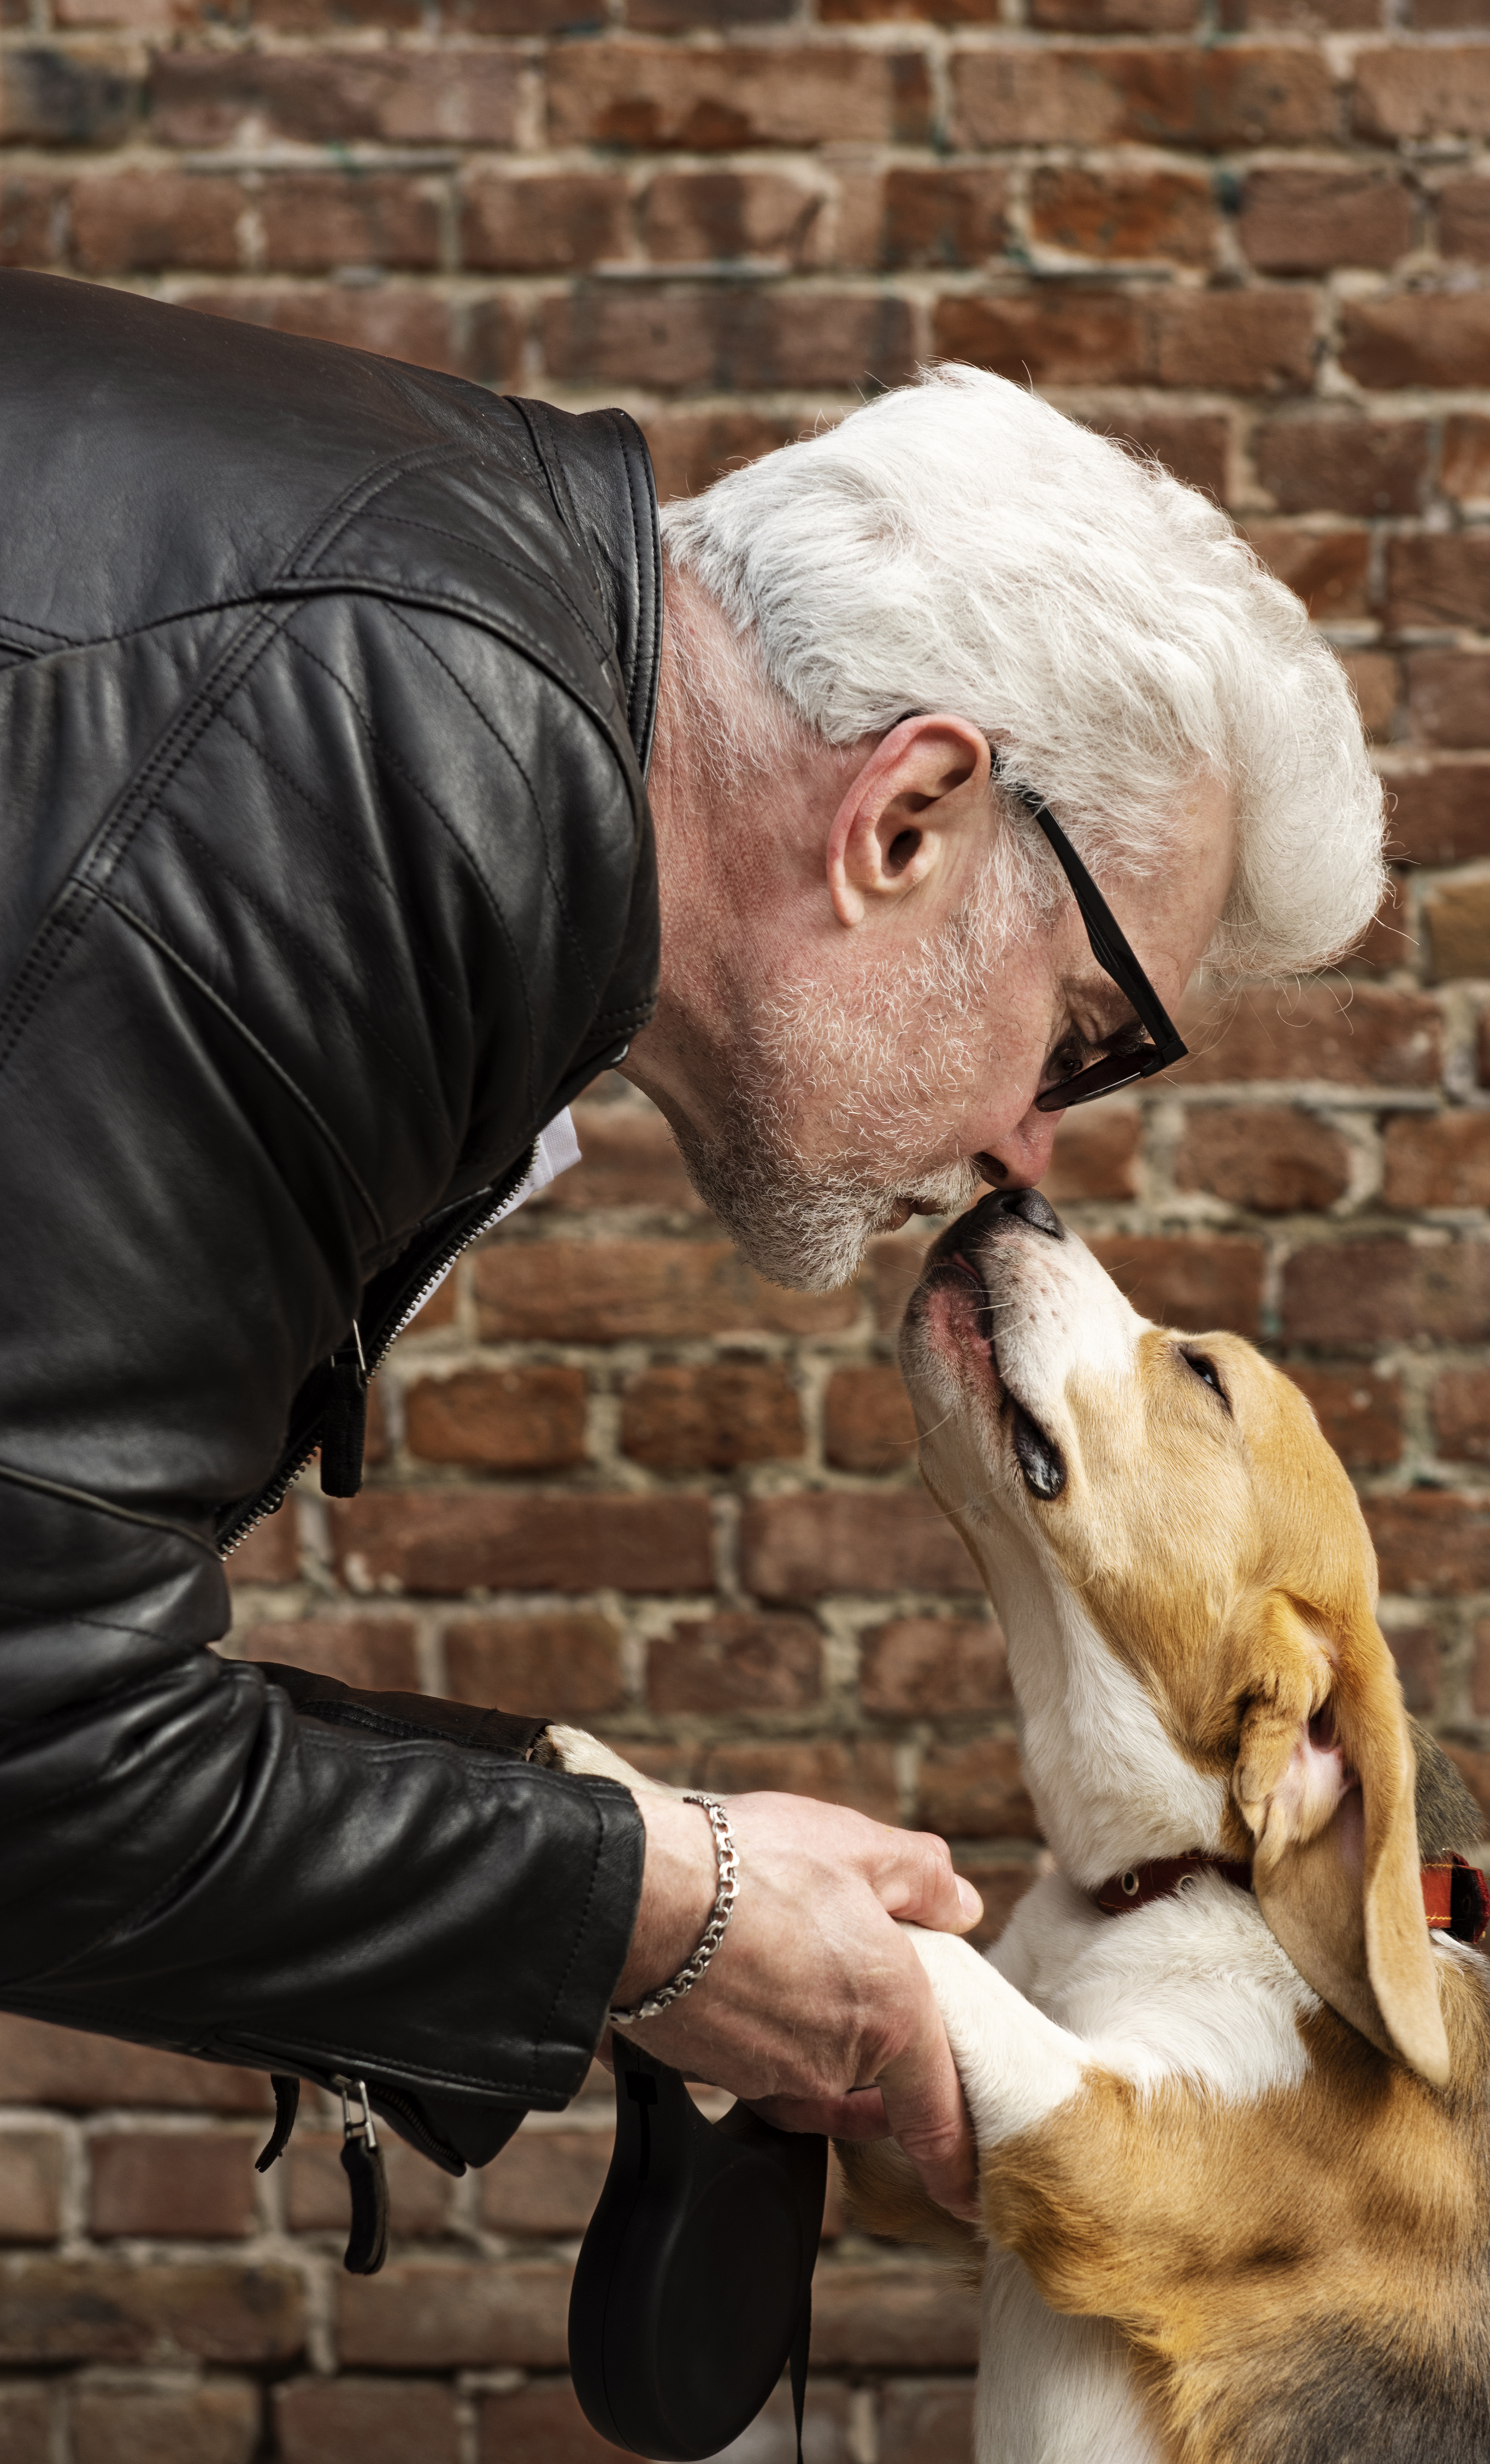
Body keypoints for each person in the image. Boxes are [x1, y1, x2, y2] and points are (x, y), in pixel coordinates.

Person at [0, 270, 1383, 2225]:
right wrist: (656, 1910)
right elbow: (34, 1731)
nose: (1029, 1149)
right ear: (907, 818)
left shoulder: (443, 671)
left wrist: (629, 1861)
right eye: (1082, 1037)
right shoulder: (364, 799)